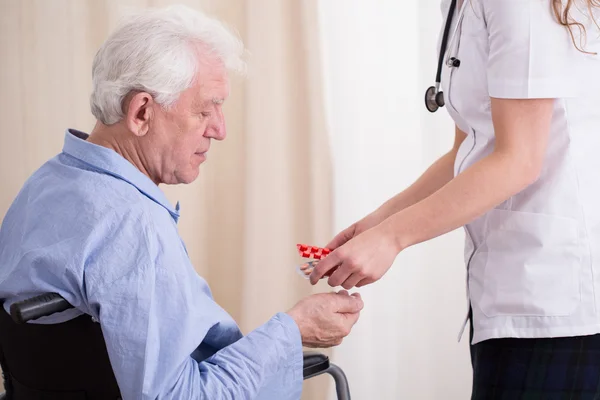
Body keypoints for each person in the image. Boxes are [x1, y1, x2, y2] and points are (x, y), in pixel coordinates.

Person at [0, 5, 363, 400]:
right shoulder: (134, 224)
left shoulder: (45, 184)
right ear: (141, 112)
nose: (220, 130)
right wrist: (294, 331)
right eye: (206, 110)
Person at [310, 0, 600, 398]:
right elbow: (468, 153)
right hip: (506, 293)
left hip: (555, 296)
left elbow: (518, 160)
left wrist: (391, 238)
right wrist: (377, 223)